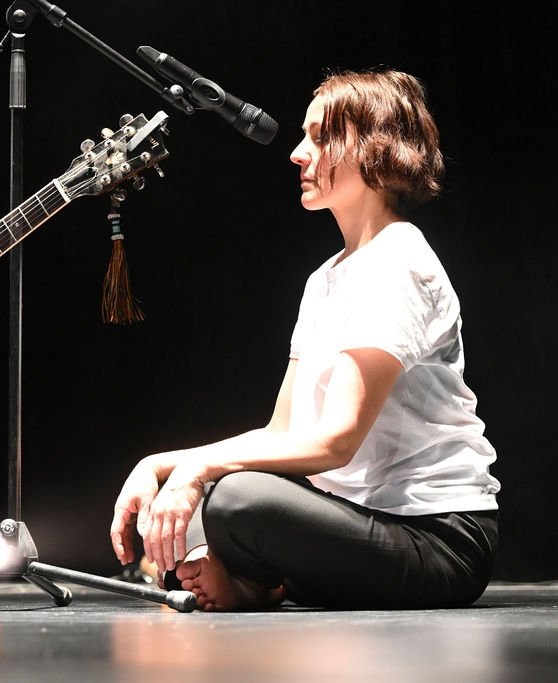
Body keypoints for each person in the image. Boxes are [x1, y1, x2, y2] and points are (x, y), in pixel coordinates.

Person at [109, 68, 501, 611]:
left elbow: (334, 444)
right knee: (223, 496)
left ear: (374, 149)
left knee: (238, 497)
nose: (297, 153)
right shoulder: (325, 280)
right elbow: (281, 432)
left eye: (319, 137)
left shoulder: (398, 263)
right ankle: (258, 583)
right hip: (361, 523)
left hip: (438, 540)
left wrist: (196, 471)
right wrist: (160, 464)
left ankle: (261, 582)